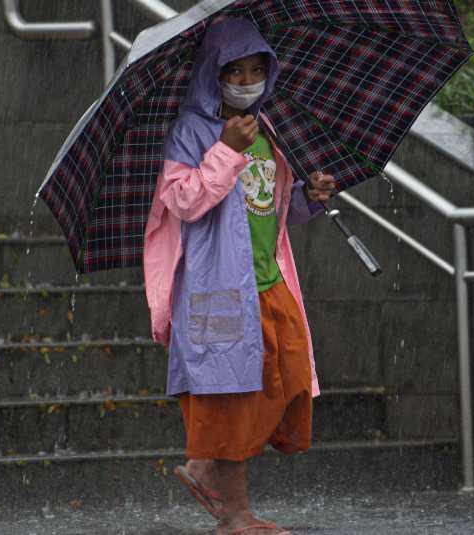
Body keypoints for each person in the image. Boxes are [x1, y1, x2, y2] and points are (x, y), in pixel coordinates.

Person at [142, 18, 333, 535]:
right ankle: (236, 515)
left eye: (256, 70)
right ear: (214, 74)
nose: (247, 81)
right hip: (215, 289)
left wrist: (309, 198)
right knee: (229, 399)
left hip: (268, 281)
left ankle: (207, 468)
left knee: (290, 379)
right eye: (235, 71)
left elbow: (268, 206)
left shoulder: (267, 128)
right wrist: (225, 149)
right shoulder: (191, 130)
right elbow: (182, 201)